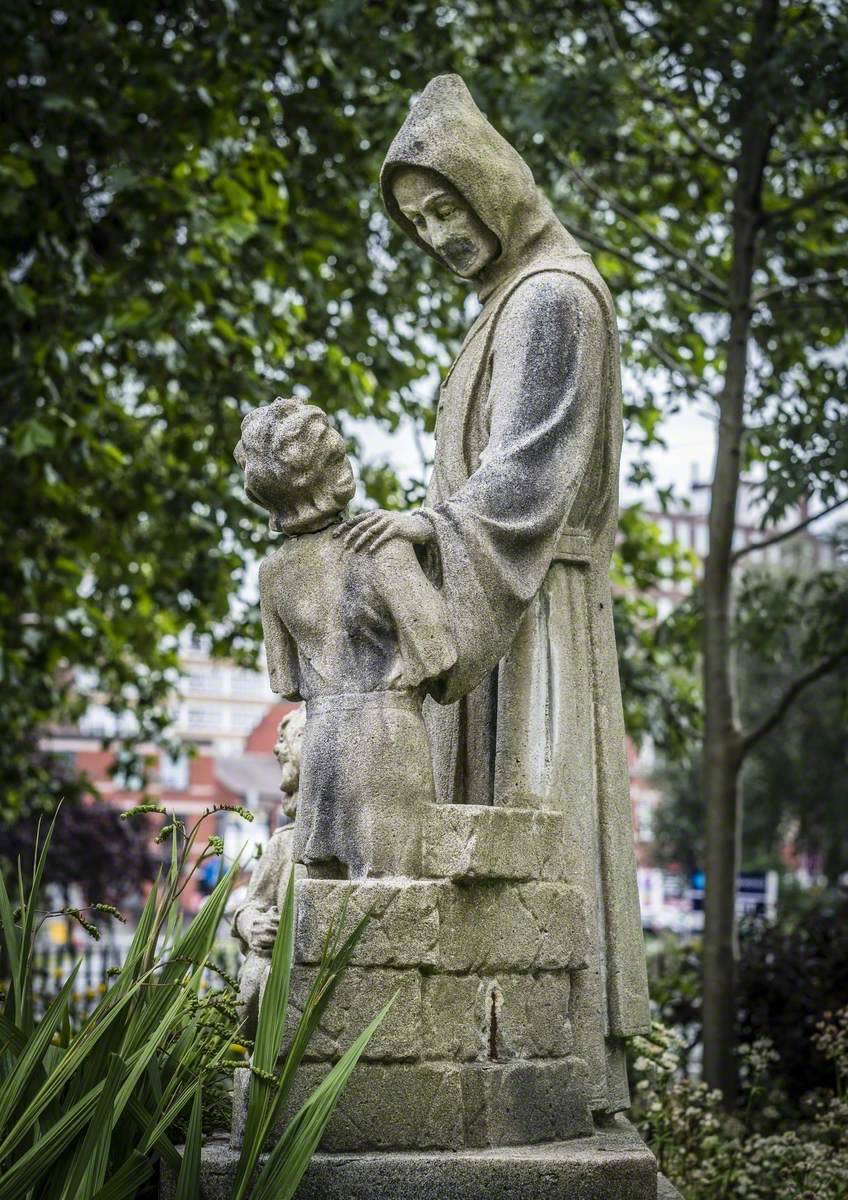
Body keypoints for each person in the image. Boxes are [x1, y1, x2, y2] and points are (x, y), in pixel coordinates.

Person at [338, 74, 650, 1115]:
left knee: (533, 815)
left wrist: (429, 529)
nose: (435, 234)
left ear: (489, 185)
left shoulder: (553, 296)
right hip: (493, 593)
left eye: (443, 206)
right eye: (416, 221)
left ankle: (556, 1071)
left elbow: (527, 469)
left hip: (530, 612)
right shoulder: (511, 302)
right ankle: (492, 1065)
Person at [234, 397, 456, 883]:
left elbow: (284, 679)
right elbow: (438, 649)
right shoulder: (380, 543)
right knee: (392, 901)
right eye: (336, 456)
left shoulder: (273, 574)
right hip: (386, 740)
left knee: (321, 912)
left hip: (322, 746)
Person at [232, 706, 305, 1039]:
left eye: (286, 743)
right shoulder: (283, 844)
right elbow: (245, 909)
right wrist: (254, 928)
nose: (277, 749)